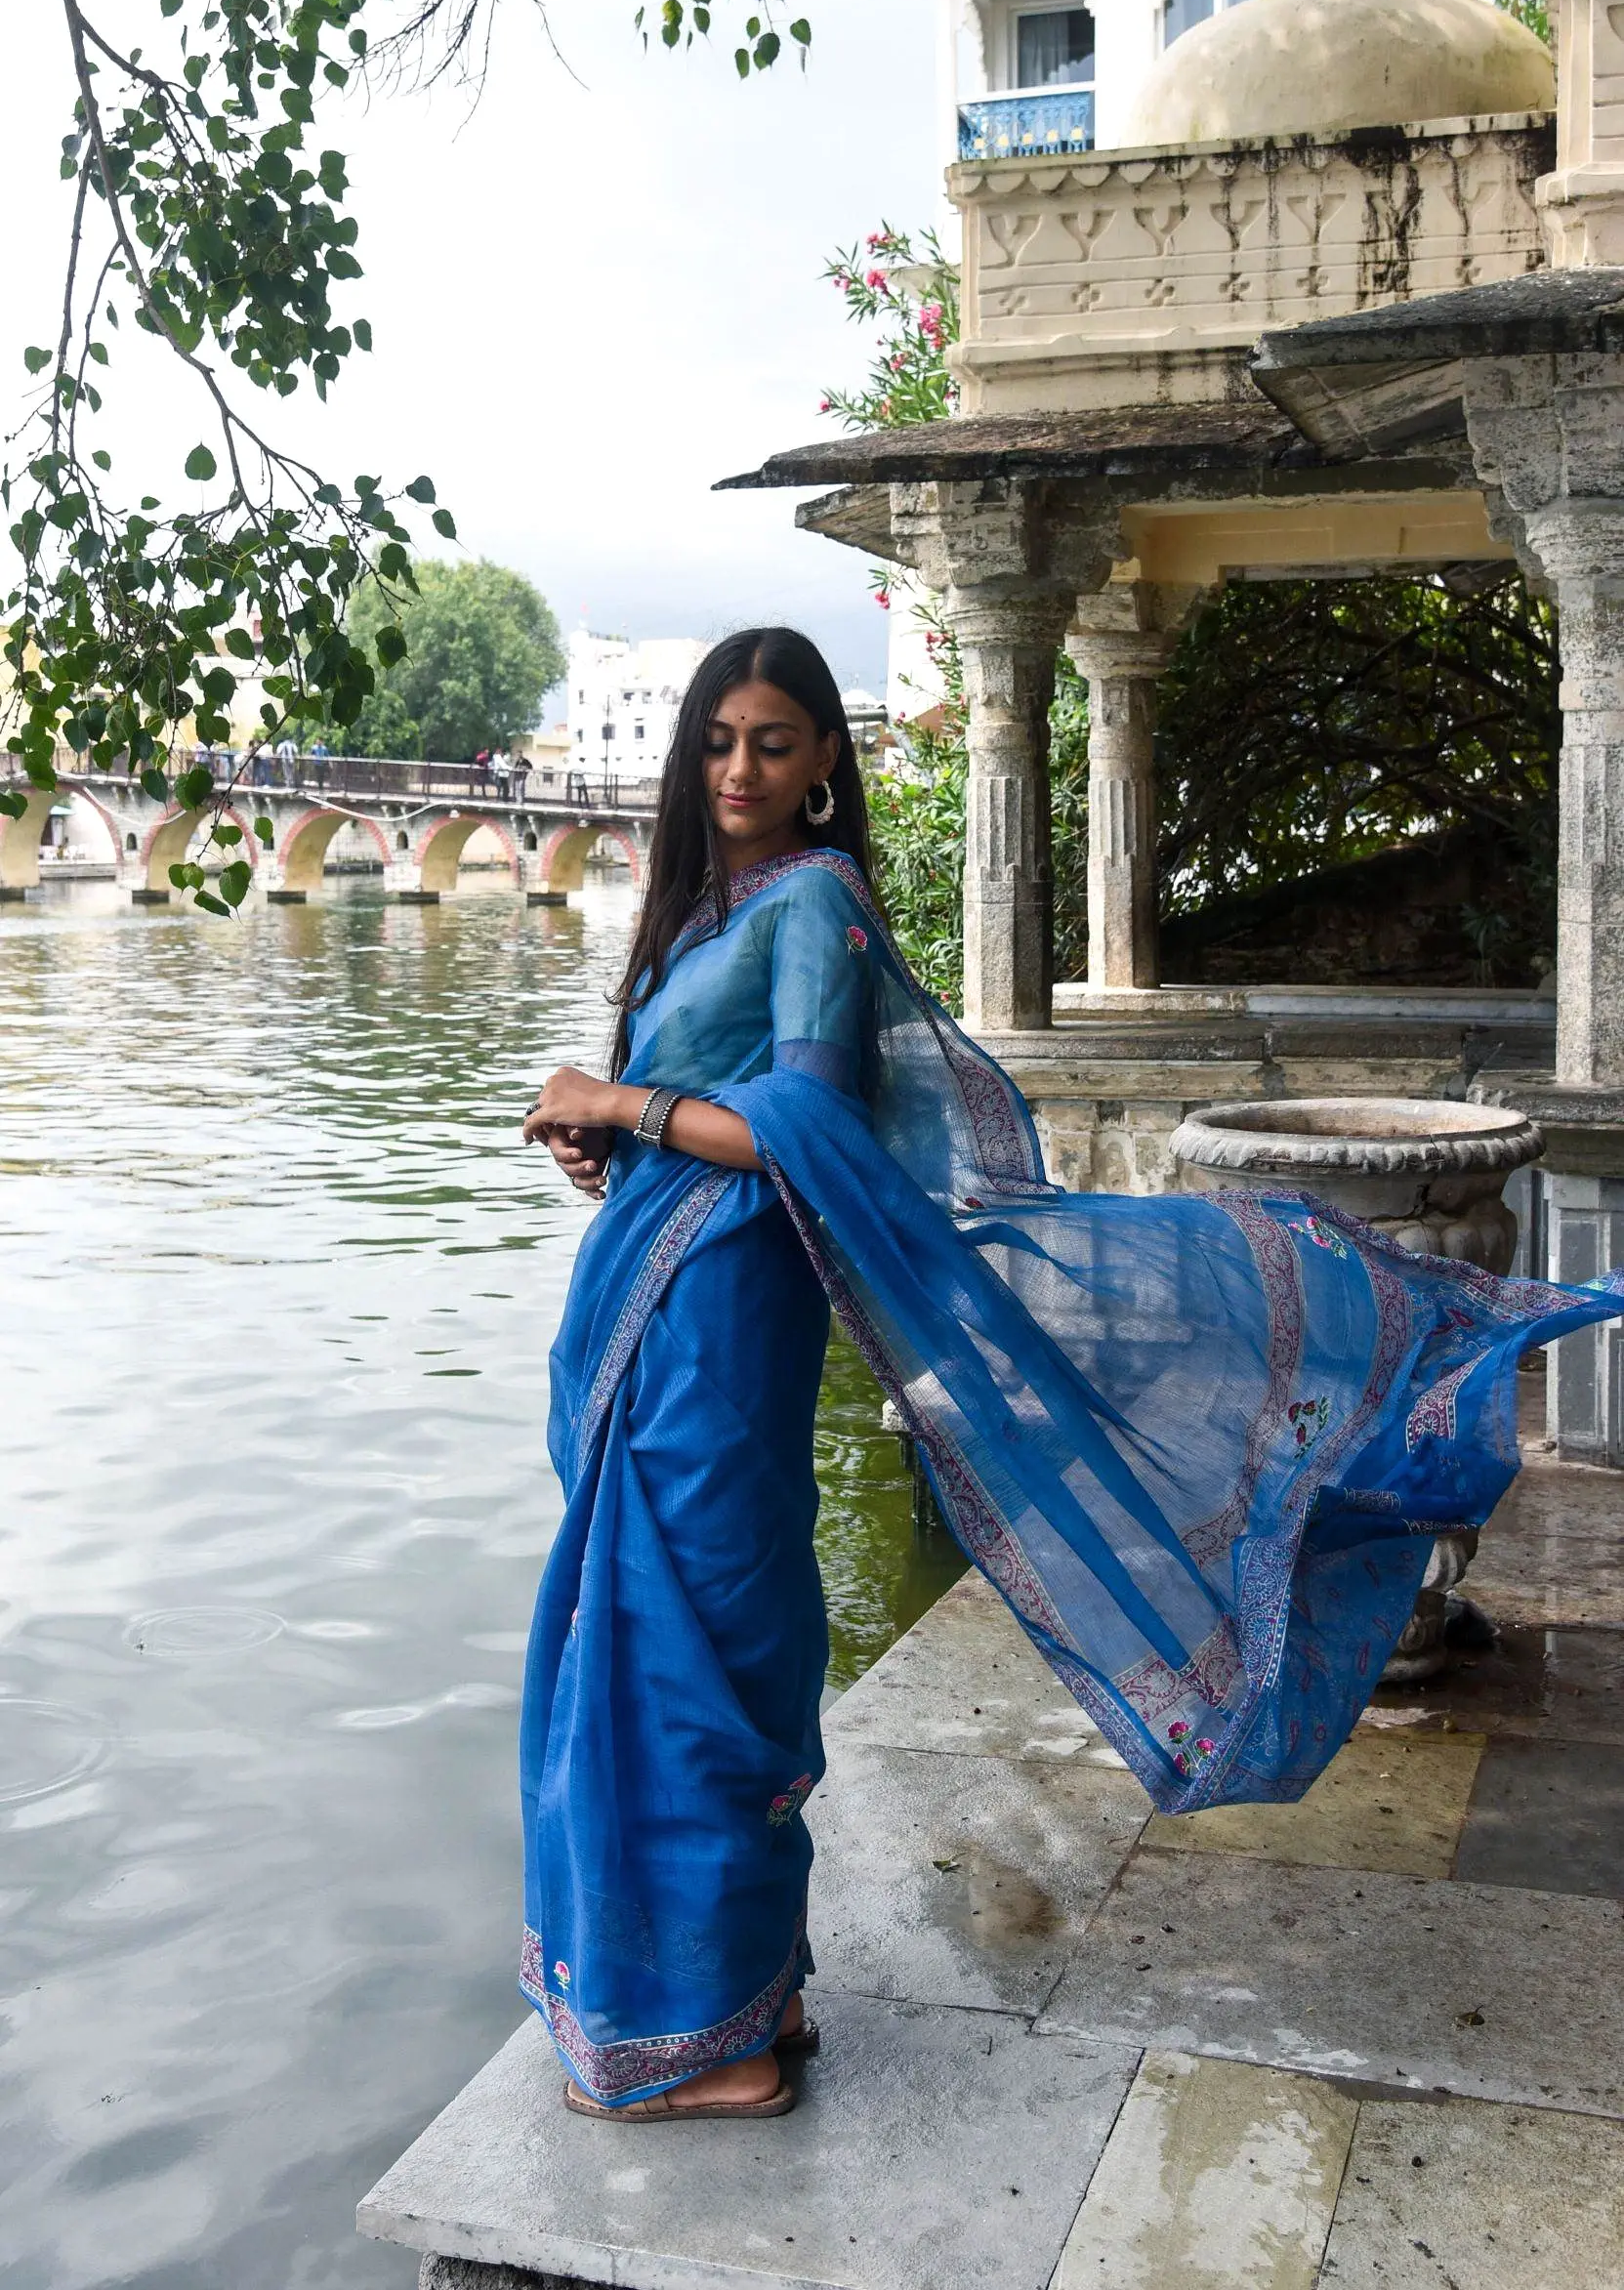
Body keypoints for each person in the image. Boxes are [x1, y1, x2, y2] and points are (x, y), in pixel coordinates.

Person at [521, 626, 1622, 2125]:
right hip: (666, 1297)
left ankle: (709, 2042)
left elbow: (806, 1124)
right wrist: (613, 1132)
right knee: (658, 1629)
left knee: (691, 1642)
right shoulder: (710, 904)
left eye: (771, 740)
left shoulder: (815, 902)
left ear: (827, 758)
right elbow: (706, 1116)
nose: (736, 769)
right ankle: (731, 1997)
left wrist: (622, 1099)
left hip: (721, 1321)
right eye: (716, 740)